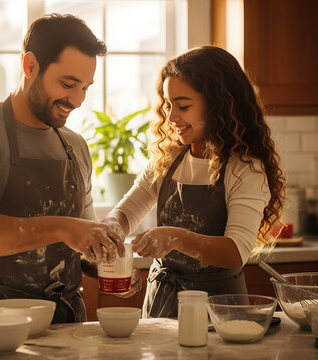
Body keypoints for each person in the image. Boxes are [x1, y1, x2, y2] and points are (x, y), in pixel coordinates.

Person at [0, 14, 129, 328]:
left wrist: (105, 259)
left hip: (66, 324)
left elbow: (80, 241)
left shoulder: (75, 146)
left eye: (85, 88)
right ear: (30, 66)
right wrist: (64, 228)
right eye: (67, 84)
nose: (78, 100)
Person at [103, 46, 285, 318]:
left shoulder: (244, 168)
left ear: (218, 105)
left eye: (183, 106)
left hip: (219, 313)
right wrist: (112, 234)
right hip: (161, 304)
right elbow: (126, 212)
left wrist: (175, 237)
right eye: (168, 105)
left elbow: (237, 251)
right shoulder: (168, 158)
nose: (172, 117)